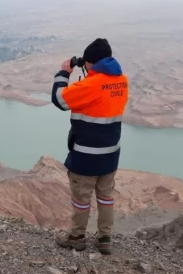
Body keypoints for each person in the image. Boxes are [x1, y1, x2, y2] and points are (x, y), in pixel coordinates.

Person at [51, 38, 128, 255]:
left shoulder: (91, 85)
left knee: (82, 200)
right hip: (110, 155)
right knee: (105, 197)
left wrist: (63, 72)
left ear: (91, 63)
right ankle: (105, 238)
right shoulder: (122, 81)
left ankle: (76, 237)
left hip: (85, 156)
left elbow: (59, 100)